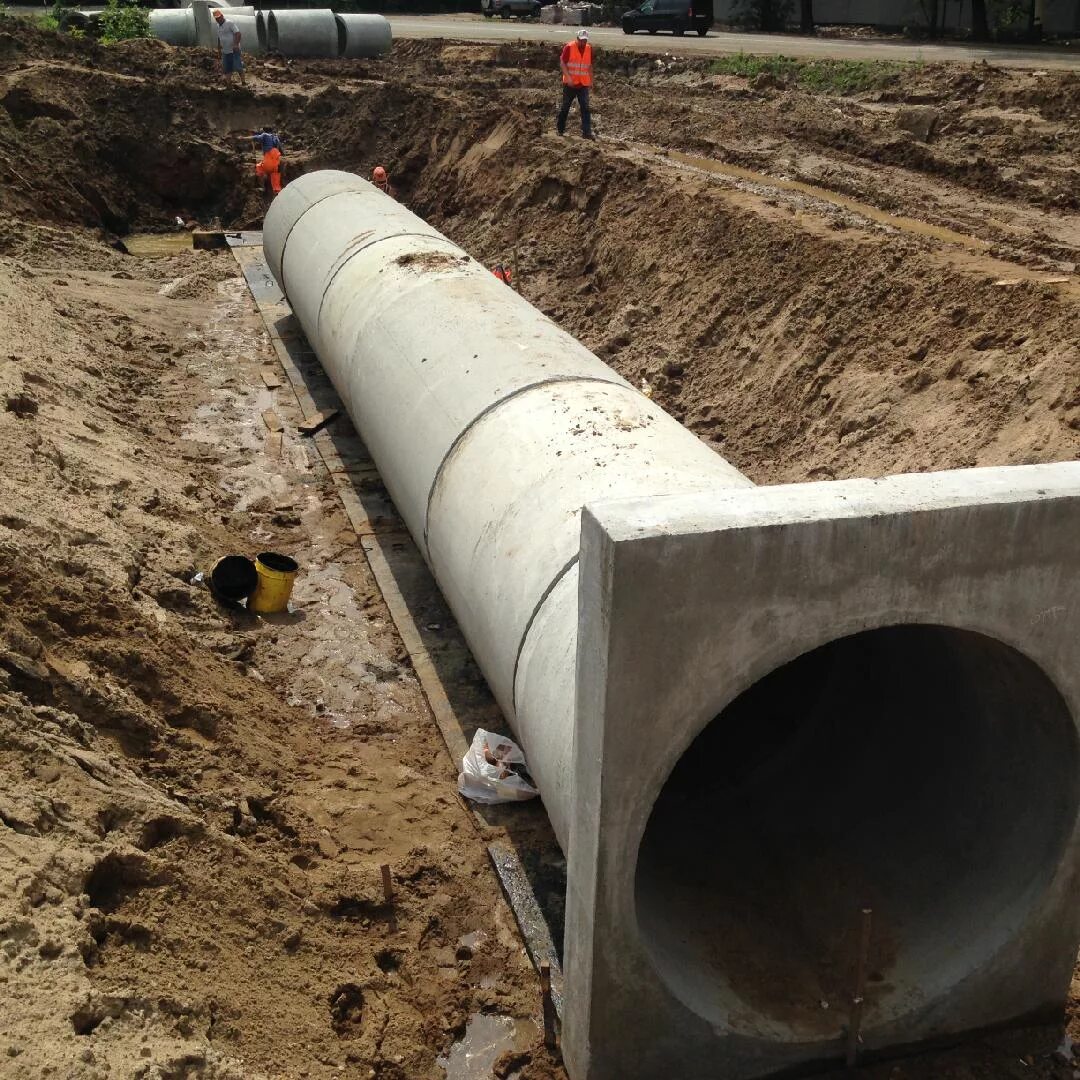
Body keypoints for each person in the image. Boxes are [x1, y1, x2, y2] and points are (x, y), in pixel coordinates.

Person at [557, 29, 593, 140]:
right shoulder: (569, 47)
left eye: (585, 41)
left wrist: (591, 80)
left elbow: (589, 65)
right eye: (581, 40)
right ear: (577, 39)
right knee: (565, 107)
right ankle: (560, 129)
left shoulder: (589, 49)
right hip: (570, 84)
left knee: (585, 108)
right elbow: (562, 63)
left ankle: (587, 133)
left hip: (583, 84)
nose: (583, 43)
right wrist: (568, 78)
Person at [212, 9, 245, 86]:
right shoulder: (218, 26)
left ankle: (243, 82)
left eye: (219, 17)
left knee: (238, 66)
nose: (218, 19)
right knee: (227, 68)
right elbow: (219, 38)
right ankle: (229, 85)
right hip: (225, 51)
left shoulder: (229, 23)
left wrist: (236, 44)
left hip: (233, 50)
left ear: (222, 16)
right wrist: (219, 50)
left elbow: (238, 33)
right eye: (216, 18)